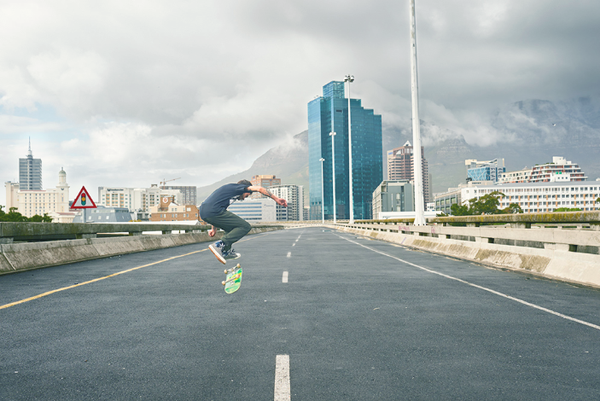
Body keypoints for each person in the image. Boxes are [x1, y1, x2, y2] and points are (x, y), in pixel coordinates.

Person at [199, 179, 288, 264]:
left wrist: (213, 228)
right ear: (245, 190)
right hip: (213, 211)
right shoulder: (238, 188)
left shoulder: (229, 192)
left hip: (205, 213)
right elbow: (260, 189)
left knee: (232, 228)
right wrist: (276, 199)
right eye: (247, 195)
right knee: (245, 226)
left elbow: (218, 208)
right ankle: (220, 245)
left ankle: (226, 251)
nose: (244, 198)